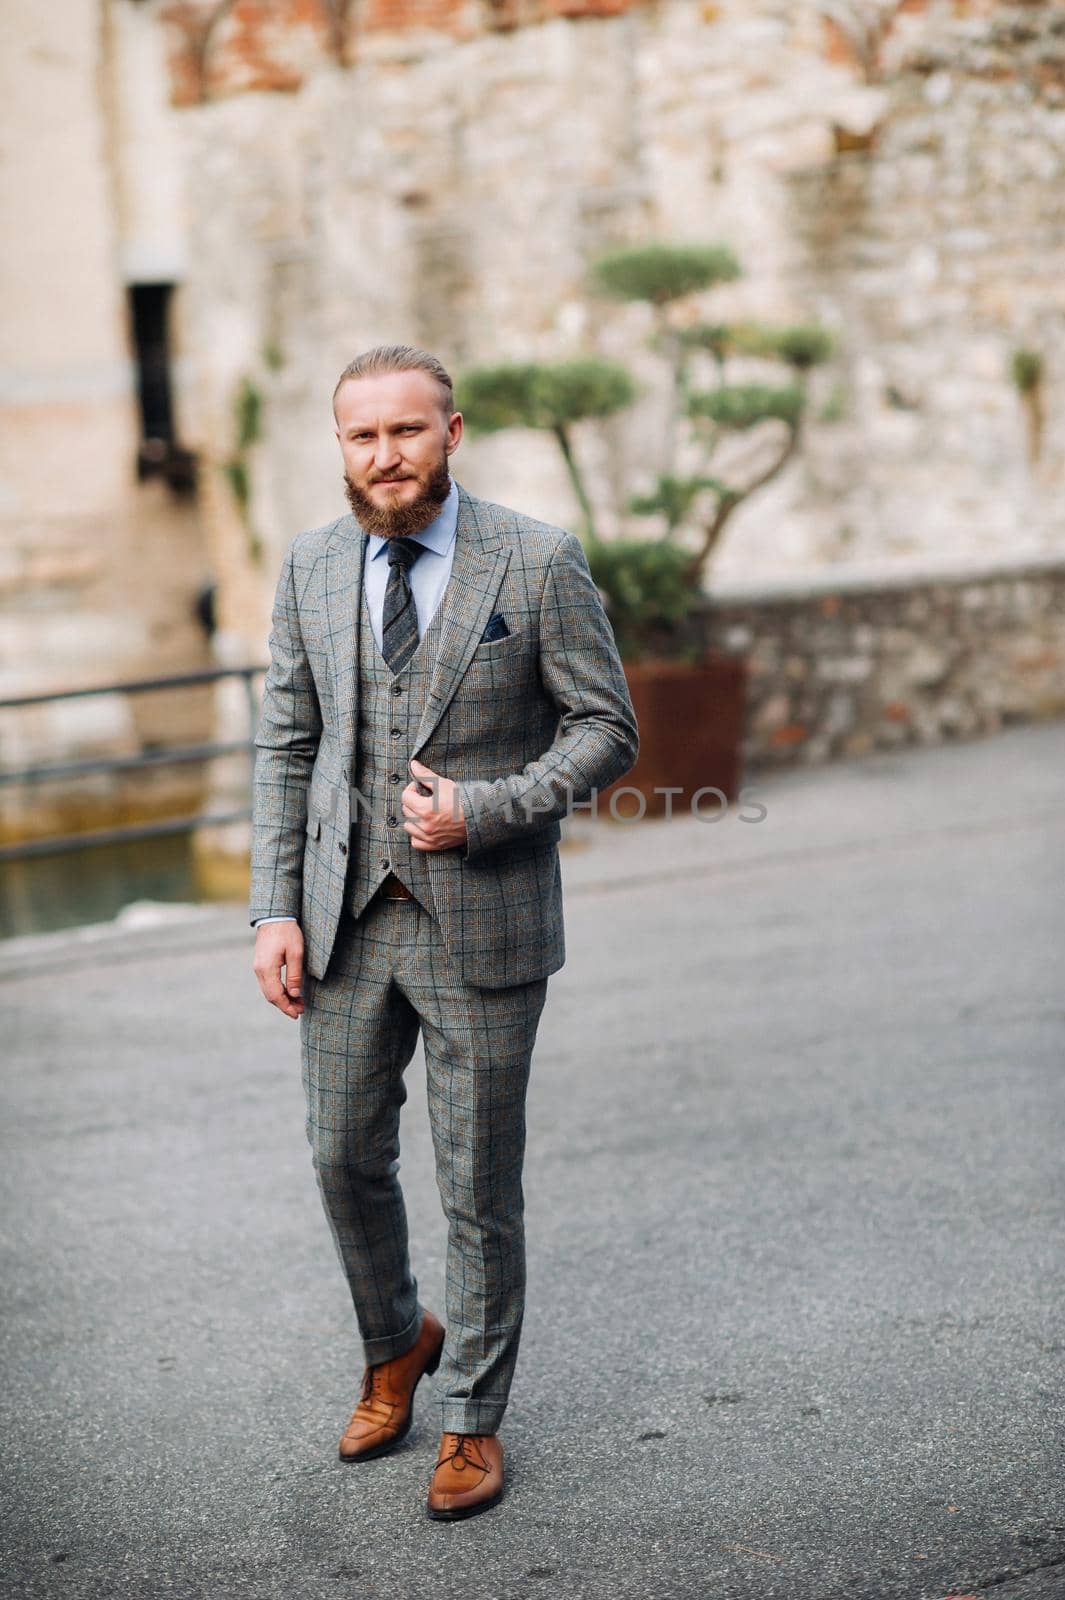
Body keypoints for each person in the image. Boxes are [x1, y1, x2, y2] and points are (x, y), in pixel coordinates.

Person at [249, 343, 638, 1521]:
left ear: (452, 433)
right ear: (343, 447)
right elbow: (287, 745)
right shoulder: (312, 566)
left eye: (407, 431)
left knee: (477, 1184)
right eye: (362, 437)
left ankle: (469, 1417)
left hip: (485, 917)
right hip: (343, 919)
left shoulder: (537, 558)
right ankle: (393, 1342)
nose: (385, 455)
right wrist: (273, 903)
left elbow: (606, 728)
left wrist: (488, 809)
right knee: (339, 1155)